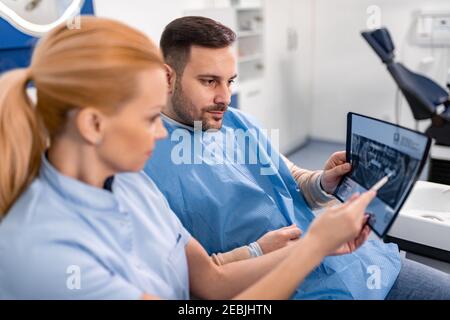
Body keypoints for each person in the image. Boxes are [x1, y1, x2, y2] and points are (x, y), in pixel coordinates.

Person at [0, 16, 376, 300]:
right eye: (150, 118)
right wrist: (309, 250)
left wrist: (315, 245)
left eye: (229, 82)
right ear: (93, 124)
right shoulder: (47, 252)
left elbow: (211, 281)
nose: (163, 132)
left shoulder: (129, 183)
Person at [144, 16, 450, 300]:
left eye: (230, 81)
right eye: (209, 81)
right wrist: (256, 251)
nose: (225, 97)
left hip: (349, 260)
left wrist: (322, 182)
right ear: (168, 77)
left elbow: (293, 178)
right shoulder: (143, 161)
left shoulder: (238, 122)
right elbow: (188, 280)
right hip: (282, 286)